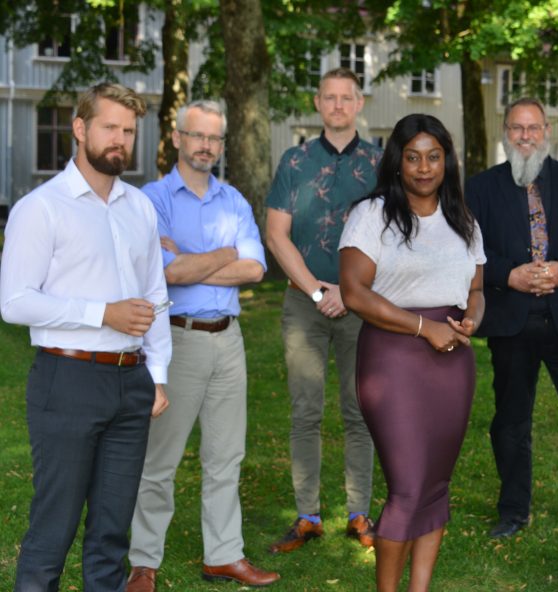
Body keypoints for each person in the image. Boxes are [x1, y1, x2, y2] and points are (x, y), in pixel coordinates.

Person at [0, 83, 171, 591]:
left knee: (111, 533)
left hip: (131, 383)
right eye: (109, 128)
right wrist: (103, 314)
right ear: (80, 129)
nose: (120, 140)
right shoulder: (42, 207)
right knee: (54, 527)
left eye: (128, 131)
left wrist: (157, 375)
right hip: (66, 379)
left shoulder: (138, 207)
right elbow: (13, 302)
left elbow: (154, 297)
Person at [125, 100, 278, 591]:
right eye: (198, 136)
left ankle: (223, 555)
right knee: (159, 460)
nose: (207, 146)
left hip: (228, 342)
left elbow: (256, 269)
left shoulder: (233, 200)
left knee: (226, 456)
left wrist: (197, 260)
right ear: (177, 138)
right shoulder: (152, 200)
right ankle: (144, 562)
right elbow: (164, 274)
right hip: (178, 340)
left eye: (215, 138)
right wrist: (225, 253)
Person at [338, 113, 485, 591]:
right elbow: (355, 293)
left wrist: (470, 319)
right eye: (413, 157)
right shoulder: (372, 215)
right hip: (393, 360)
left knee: (435, 487)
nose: (424, 167)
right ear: (397, 162)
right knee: (406, 488)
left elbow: (477, 288)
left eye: (434, 157)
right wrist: (425, 328)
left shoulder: (463, 218)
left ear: (448, 161)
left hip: (452, 363)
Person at [466, 96, 558, 538]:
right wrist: (506, 275)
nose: (525, 137)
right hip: (511, 322)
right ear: (505, 133)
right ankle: (513, 511)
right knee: (510, 423)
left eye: (533, 128)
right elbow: (464, 252)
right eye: (516, 128)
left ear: (548, 132)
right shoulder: (479, 188)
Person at [265, 67, 382, 552]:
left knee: (360, 412)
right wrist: (317, 291)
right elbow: (276, 234)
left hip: (363, 303)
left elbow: (391, 236)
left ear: (359, 104)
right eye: (329, 98)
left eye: (346, 98)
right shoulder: (295, 161)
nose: (337, 106)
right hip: (304, 303)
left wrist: (349, 292)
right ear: (317, 103)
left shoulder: (381, 163)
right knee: (304, 412)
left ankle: (359, 513)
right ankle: (308, 515)